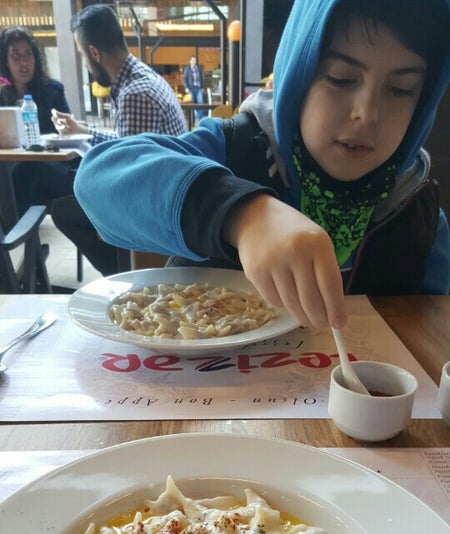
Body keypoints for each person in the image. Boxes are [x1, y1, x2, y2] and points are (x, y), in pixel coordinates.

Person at [74, 0, 450, 326]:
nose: (366, 114)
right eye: (340, 79)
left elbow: (433, 336)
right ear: (298, 76)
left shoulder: (418, 214)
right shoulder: (236, 145)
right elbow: (97, 179)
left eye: (400, 89)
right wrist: (242, 215)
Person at [51, 4, 187, 276]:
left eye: (82, 56)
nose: (86, 65)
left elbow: (128, 179)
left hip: (159, 209)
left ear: (94, 53)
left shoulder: (134, 94)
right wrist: (85, 130)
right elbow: (130, 143)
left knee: (63, 209)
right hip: (168, 195)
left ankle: (123, 276)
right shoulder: (141, 78)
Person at [0, 26, 75, 215]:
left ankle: (11, 226)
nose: (23, 62)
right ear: (5, 62)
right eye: (15, 56)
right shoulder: (1, 96)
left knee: (30, 164)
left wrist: (61, 130)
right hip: (12, 168)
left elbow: (69, 134)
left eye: (28, 54)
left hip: (51, 167)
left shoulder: (52, 91)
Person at [183, 55, 205, 123]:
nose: (194, 61)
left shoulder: (198, 68)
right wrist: (186, 87)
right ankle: (192, 120)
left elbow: (201, 78)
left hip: (198, 88)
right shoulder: (187, 69)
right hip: (191, 89)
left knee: (200, 103)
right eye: (192, 60)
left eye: (195, 60)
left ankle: (199, 119)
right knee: (192, 104)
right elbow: (185, 79)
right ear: (190, 61)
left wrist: (202, 87)